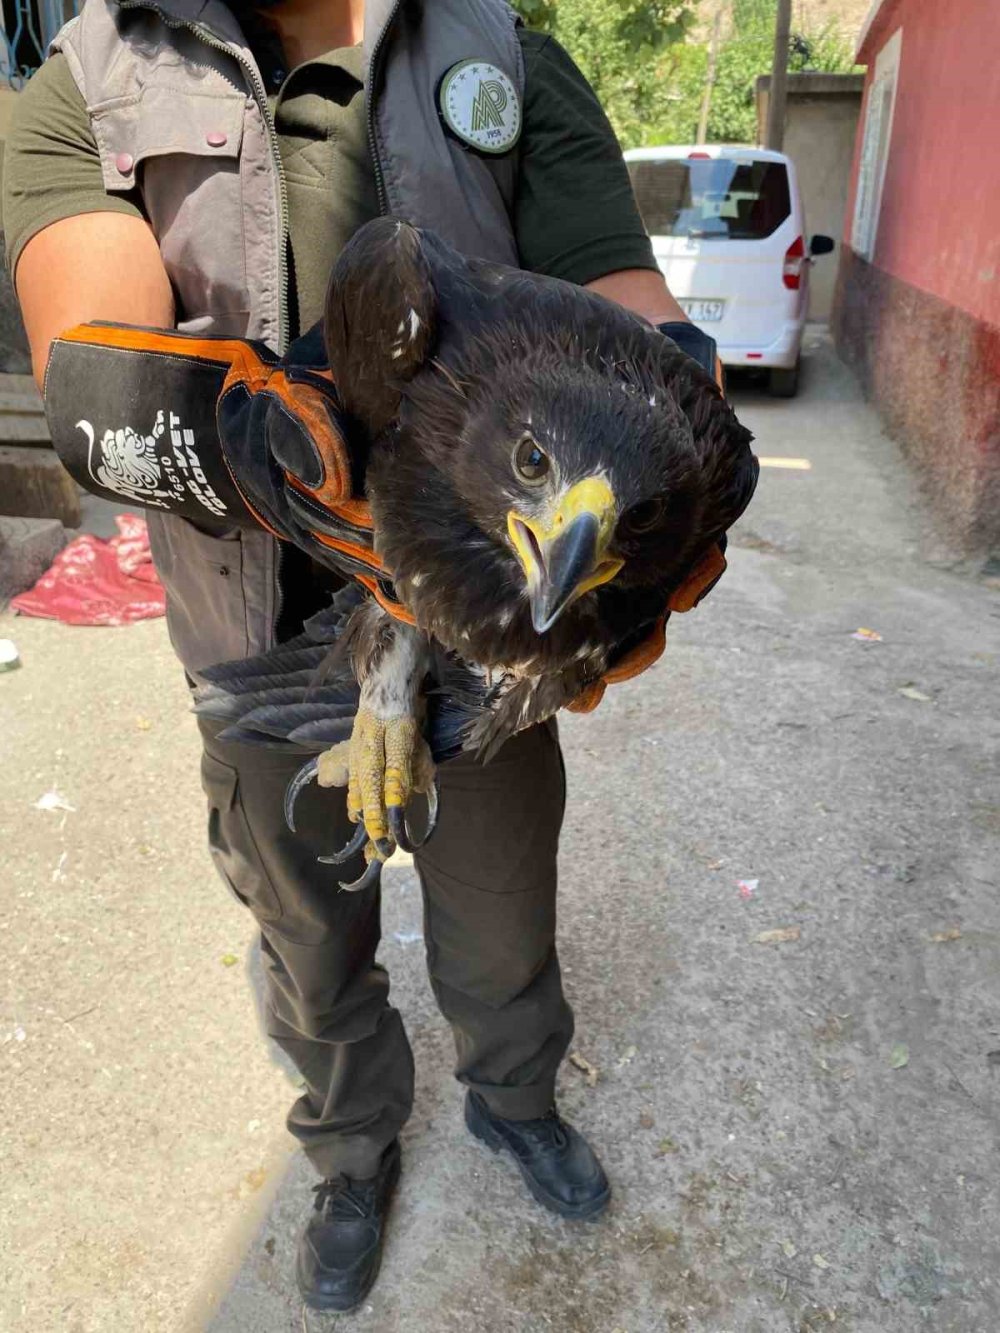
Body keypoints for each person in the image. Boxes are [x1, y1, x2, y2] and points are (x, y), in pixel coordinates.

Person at [4, 0, 713, 1312]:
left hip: (488, 627)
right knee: (306, 944)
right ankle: (349, 1149)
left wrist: (673, 442)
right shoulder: (88, 77)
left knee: (504, 924)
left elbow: (621, 303)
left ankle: (513, 1100)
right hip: (255, 631)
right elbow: (86, 377)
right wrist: (234, 428)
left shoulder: (505, 55)